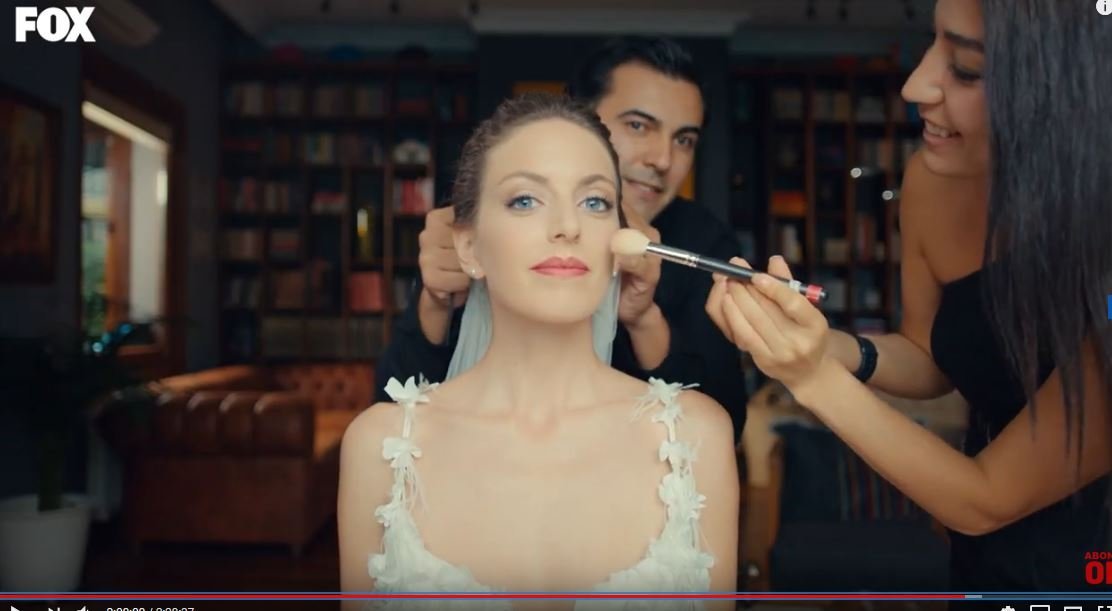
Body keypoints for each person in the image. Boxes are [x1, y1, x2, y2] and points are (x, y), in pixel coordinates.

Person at [705, 0, 1112, 592]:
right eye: (933, 44)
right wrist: (826, 346)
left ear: (1071, 91)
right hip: (982, 565)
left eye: (965, 69)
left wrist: (812, 377)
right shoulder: (932, 182)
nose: (914, 85)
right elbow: (928, 356)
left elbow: (984, 498)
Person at [339, 93, 738, 609]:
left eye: (594, 202)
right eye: (525, 200)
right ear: (468, 247)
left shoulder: (695, 436)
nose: (568, 227)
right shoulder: (381, 446)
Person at [374, 36, 749, 440]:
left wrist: (644, 321)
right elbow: (397, 436)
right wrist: (435, 301)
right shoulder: (487, 226)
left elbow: (721, 430)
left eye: (684, 140)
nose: (662, 159)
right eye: (638, 126)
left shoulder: (705, 242)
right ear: (577, 118)